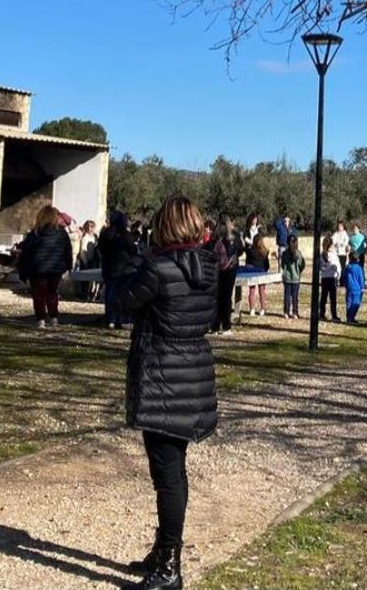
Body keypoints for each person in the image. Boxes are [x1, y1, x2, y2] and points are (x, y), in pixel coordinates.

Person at [116, 196, 218, 590]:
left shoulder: (157, 269)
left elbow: (124, 301)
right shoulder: (209, 267)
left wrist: (136, 261)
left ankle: (170, 565)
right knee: (175, 469)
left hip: (162, 375)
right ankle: (163, 550)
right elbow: (208, 314)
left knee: (167, 476)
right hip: (193, 370)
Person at [17, 206, 73, 328]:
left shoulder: (35, 233)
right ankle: (54, 318)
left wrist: (22, 270)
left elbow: (26, 253)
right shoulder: (61, 233)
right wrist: (68, 266)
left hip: (37, 269)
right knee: (52, 293)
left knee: (39, 295)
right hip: (55, 269)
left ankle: (41, 319)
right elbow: (67, 251)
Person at [99, 211, 139, 329]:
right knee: (122, 295)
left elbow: (101, 249)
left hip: (109, 268)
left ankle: (110, 319)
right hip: (124, 269)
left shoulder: (105, 233)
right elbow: (133, 250)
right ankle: (122, 319)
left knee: (110, 294)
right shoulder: (125, 234)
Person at [212, 216, 244, 334]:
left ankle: (215, 325)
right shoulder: (234, 236)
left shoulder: (215, 236)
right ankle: (226, 325)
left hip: (217, 269)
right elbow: (240, 250)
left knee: (217, 296)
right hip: (230, 269)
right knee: (226, 296)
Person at [244, 235, 271, 316]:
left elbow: (247, 262)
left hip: (252, 273)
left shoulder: (250, 251)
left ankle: (252, 309)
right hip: (262, 272)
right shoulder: (265, 251)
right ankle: (262, 309)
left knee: (252, 291)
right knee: (262, 292)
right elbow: (267, 265)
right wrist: (265, 271)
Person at [280, 236, 305, 319]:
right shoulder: (298, 253)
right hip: (296, 278)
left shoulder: (284, 253)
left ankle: (286, 312)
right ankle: (295, 312)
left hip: (287, 277)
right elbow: (302, 265)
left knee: (287, 296)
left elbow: (283, 265)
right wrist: (298, 272)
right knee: (295, 296)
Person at [318, 236, 342, 322]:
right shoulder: (333, 255)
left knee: (323, 297)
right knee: (333, 299)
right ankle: (334, 316)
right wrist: (338, 276)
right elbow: (337, 267)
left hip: (324, 278)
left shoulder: (321, 255)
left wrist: (324, 269)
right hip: (332, 278)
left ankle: (321, 314)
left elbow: (320, 267)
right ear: (331, 245)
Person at [343, 251, 366, 324]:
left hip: (349, 288)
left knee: (349, 302)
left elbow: (344, 277)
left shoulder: (347, 267)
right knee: (356, 303)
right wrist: (362, 287)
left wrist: (346, 285)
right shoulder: (359, 268)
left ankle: (349, 317)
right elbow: (361, 278)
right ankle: (352, 317)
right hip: (357, 289)